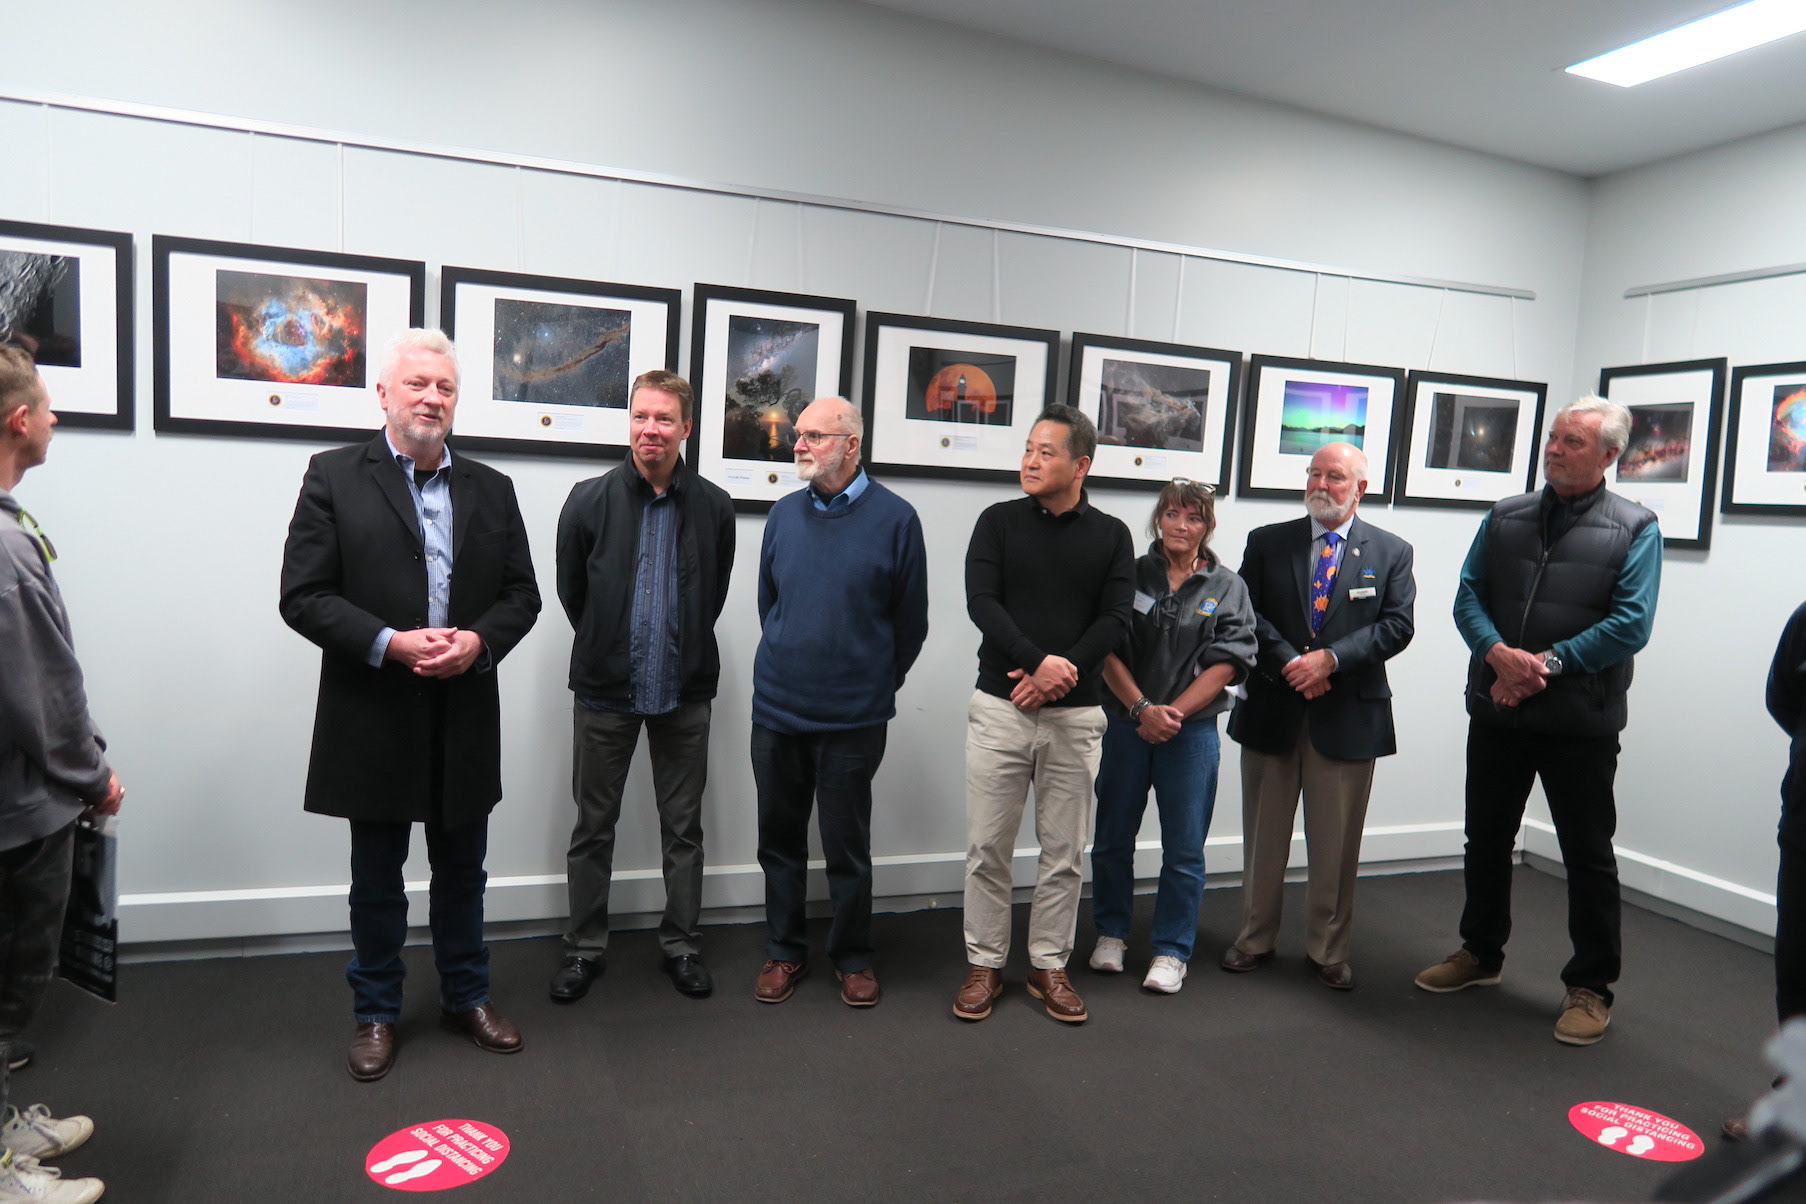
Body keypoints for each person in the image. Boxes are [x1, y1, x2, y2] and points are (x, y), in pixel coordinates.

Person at [280, 329, 541, 1081]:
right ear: (384, 394)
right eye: (418, 384)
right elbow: (303, 596)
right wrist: (390, 642)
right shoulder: (334, 476)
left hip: (463, 709)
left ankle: (467, 996)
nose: (433, 398)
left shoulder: (492, 488)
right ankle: (375, 1011)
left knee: (464, 872)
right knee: (378, 877)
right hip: (375, 710)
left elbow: (523, 594)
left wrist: (479, 643)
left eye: (446, 388)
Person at [1415, 396, 1660, 1046]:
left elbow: (1631, 624)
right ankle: (1480, 953)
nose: (1554, 448)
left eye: (1572, 441)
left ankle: (1590, 986)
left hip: (1579, 720)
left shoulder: (1637, 527)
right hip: (1498, 708)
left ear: (1609, 455)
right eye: (1553, 437)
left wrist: (1542, 665)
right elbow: (1468, 594)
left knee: (1587, 855)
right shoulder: (1505, 515)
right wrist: (1498, 655)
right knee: (1485, 839)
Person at [551, 370, 734, 1002]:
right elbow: (572, 591)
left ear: (686, 428)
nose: (649, 429)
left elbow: (713, 594)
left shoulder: (714, 505)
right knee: (592, 828)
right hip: (605, 692)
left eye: (663, 419)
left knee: (683, 831)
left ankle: (682, 946)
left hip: (684, 695)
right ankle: (582, 950)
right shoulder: (588, 499)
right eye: (639, 416)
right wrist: (610, 643)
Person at [956, 405, 1134, 1024]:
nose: (1030, 461)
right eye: (1028, 449)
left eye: (1046, 452)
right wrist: (1037, 663)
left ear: (1081, 464)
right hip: (999, 709)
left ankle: (1048, 964)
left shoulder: (1112, 535)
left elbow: (1114, 618)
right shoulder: (997, 522)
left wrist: (1060, 675)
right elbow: (983, 602)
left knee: (1064, 851)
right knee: (987, 847)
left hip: (1077, 716)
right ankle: (985, 962)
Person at [749, 397, 928, 1008]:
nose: (797, 445)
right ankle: (783, 951)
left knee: (846, 845)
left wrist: (872, 683)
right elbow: (770, 604)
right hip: (777, 709)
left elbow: (911, 625)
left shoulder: (897, 519)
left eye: (813, 436)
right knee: (778, 839)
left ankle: (852, 957)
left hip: (853, 716)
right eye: (798, 435)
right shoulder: (782, 516)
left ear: (851, 445)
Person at [1222, 442, 1416, 991]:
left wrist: (1330, 660)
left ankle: (1328, 948)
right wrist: (1293, 663)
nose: (1321, 485)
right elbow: (1246, 611)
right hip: (1273, 708)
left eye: (1335, 477)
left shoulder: (1392, 551)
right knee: (1263, 835)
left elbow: (1396, 626)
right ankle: (1253, 938)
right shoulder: (1267, 542)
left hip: (1348, 714)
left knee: (1336, 841)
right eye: (1314, 474)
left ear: (1361, 488)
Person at [0, 344, 114, 1202]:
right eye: (46, 406)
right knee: (7, 983)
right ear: (17, 421)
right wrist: (93, 776)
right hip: (19, 809)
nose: (55, 418)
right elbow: (43, 689)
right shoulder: (5, 550)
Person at [1088, 479, 1255, 994]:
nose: (1181, 526)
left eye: (1194, 518)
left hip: (1191, 734)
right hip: (1126, 725)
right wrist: (1141, 709)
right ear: (1159, 518)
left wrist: (1170, 715)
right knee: (1113, 838)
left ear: (1207, 526)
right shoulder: (1129, 574)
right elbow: (1104, 644)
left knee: (1184, 849)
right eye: (1173, 515)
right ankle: (1111, 934)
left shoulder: (1227, 585)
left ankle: (1171, 950)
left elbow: (1229, 663)